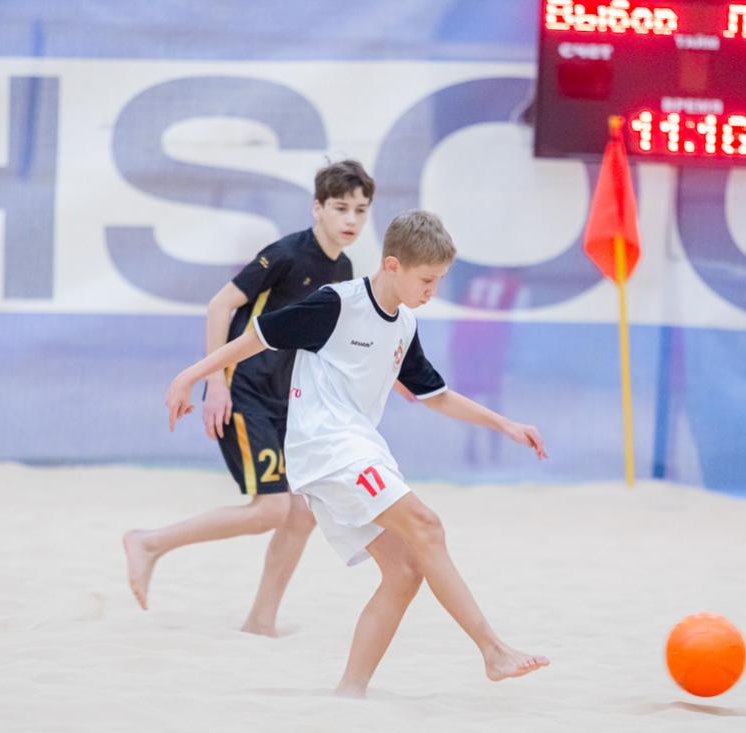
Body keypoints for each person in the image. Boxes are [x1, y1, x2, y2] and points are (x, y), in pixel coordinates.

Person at [164, 210, 550, 696]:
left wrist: (505, 424)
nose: (433, 290)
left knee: (405, 571)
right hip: (327, 447)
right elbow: (254, 339)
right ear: (393, 265)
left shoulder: (404, 323)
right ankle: (493, 651)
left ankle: (350, 692)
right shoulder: (336, 304)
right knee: (427, 525)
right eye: (427, 279)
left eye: (439, 280)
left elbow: (436, 395)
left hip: (356, 447)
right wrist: (190, 376)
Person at [124, 159, 375, 636]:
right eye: (341, 208)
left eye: (360, 210)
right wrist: (215, 384)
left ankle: (261, 621)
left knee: (301, 514)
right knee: (272, 509)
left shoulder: (343, 268)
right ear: (317, 208)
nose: (351, 219)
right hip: (244, 389)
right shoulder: (285, 254)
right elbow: (220, 305)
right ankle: (148, 543)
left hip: (286, 401)